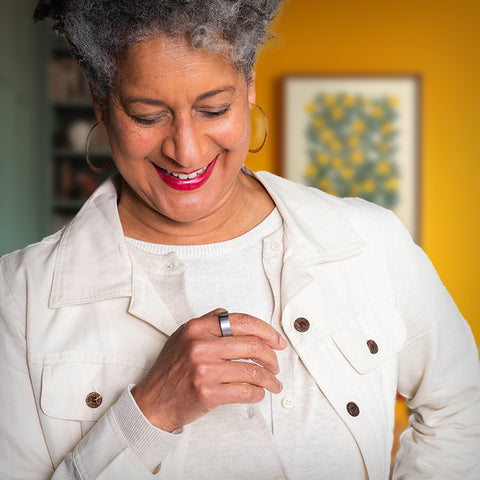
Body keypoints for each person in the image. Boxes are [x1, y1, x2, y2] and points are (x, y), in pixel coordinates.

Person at [1, 1, 479, 479]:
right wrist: (149, 415)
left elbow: (463, 407)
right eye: (148, 115)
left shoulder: (370, 240)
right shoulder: (18, 299)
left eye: (214, 108)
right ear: (100, 102)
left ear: (249, 85)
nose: (185, 150)